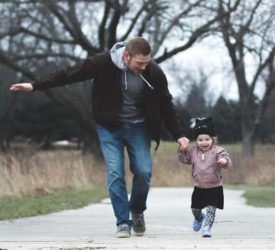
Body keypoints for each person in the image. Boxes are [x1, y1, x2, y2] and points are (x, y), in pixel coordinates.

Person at [10, 37, 189, 238]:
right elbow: (70, 74)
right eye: (139, 63)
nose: (143, 67)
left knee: (144, 171)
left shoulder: (153, 72)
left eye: (146, 62)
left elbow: (166, 104)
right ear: (126, 56)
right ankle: (123, 222)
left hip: (138, 127)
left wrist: (179, 135)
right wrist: (35, 85)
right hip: (109, 127)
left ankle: (137, 210)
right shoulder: (102, 63)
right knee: (115, 174)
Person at [178, 117, 232, 238]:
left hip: (215, 187)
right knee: (195, 209)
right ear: (196, 141)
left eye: (207, 139)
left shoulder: (218, 151)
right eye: (200, 140)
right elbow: (184, 159)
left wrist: (224, 161)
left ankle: (207, 228)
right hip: (199, 187)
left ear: (213, 139)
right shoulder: (193, 152)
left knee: (211, 210)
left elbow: (228, 161)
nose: (204, 142)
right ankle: (198, 218)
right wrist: (182, 151)